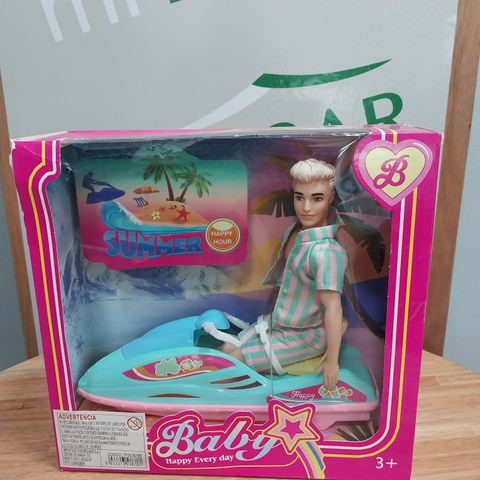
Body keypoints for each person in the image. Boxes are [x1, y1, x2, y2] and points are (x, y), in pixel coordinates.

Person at [220, 158, 347, 387]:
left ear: (331, 198)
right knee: (226, 349)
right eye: (299, 197)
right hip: (279, 324)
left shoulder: (326, 252)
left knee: (233, 361)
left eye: (317, 198)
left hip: (305, 336)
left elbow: (333, 307)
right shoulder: (297, 233)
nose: (306, 208)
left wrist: (332, 362)